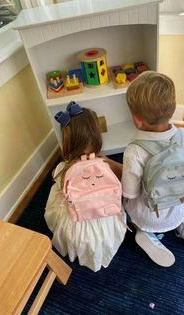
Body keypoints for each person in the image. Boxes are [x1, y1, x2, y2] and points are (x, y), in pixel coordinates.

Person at [121, 71, 184, 267]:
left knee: (127, 205)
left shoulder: (134, 151)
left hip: (149, 216)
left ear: (136, 119)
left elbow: (130, 192)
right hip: (181, 202)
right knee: (179, 201)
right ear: (173, 109)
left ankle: (146, 234)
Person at [45, 101, 126, 272]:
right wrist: (106, 161)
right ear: (98, 137)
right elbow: (123, 173)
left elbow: (55, 177)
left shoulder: (64, 169)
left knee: (57, 192)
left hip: (78, 223)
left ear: (67, 141)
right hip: (104, 215)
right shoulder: (104, 164)